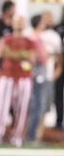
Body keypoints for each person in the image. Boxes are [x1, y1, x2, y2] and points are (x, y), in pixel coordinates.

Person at [0, 16, 36, 146]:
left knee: (22, 109)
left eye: (21, 21)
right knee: (1, 107)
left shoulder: (29, 41)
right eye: (17, 21)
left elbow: (32, 57)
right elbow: (1, 53)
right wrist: (21, 54)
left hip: (24, 77)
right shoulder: (6, 39)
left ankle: (16, 137)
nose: (19, 24)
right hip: (7, 76)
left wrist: (12, 54)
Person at [26, 11, 61, 144]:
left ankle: (37, 136)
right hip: (37, 76)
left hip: (47, 75)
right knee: (37, 107)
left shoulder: (51, 36)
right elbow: (42, 58)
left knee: (44, 107)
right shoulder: (33, 36)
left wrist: (58, 69)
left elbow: (57, 56)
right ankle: (31, 136)